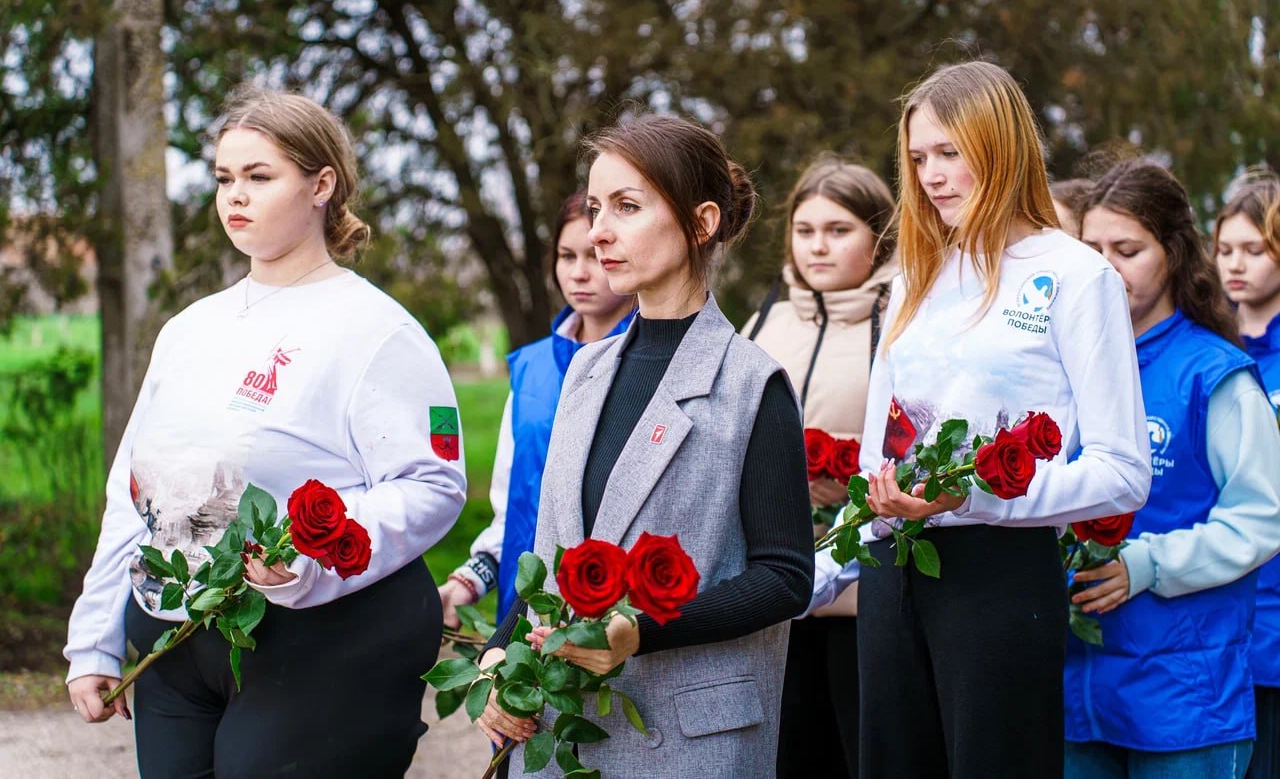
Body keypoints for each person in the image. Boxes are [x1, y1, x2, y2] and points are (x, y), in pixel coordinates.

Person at [63, 87, 467, 777]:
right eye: (224, 178)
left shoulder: (377, 331)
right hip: (176, 639)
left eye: (258, 176)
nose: (233, 197)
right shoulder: (189, 328)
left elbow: (433, 484)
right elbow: (134, 489)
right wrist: (94, 638)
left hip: (317, 644)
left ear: (321, 184)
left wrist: (306, 553)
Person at [809, 61, 1151, 778]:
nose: (929, 175)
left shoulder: (1078, 276)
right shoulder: (916, 275)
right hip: (891, 579)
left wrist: (978, 496)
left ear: (1000, 146)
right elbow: (879, 464)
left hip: (999, 581)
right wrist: (805, 580)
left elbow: (1122, 472)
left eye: (948, 152)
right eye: (916, 157)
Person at [473, 113, 814, 776]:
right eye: (597, 207)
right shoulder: (585, 370)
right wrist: (498, 658)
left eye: (627, 207)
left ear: (701, 221)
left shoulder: (752, 384)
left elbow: (785, 576)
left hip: (689, 741)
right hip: (562, 731)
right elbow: (548, 558)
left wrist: (642, 627)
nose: (599, 230)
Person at [1064, 159, 1280, 778]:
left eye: (1127, 250)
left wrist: (1147, 563)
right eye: (1091, 249)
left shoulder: (1216, 375)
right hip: (1075, 691)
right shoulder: (1062, 370)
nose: (1106, 268)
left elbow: (1260, 521)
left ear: (1175, 254)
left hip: (1185, 697)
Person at [741, 155, 897, 777]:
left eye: (839, 231)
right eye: (805, 231)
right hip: (775, 587)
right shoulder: (763, 320)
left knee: (862, 754)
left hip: (865, 592)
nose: (818, 247)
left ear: (877, 236)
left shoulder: (903, 320)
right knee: (786, 755)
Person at [437, 192, 635, 626]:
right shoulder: (531, 367)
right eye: (567, 256)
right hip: (525, 622)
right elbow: (513, 510)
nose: (579, 272)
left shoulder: (652, 362)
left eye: (596, 255)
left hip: (619, 622)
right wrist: (468, 581)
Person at [1214, 167, 1280, 779]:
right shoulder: (1213, 348)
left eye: (1255, 250)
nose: (1237, 264)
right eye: (1225, 249)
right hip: (1224, 610)